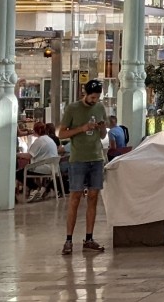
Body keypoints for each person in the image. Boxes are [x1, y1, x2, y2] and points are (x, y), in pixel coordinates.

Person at [57, 79, 109, 254]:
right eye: (92, 97)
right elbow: (62, 133)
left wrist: (102, 128)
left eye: (97, 97)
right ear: (85, 94)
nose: (95, 100)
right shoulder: (73, 109)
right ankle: (68, 239)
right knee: (75, 197)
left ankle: (89, 237)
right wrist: (82, 128)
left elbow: (103, 135)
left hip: (96, 157)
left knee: (93, 196)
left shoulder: (100, 108)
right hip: (78, 158)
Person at [20, 122, 60, 200]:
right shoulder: (50, 140)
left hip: (44, 168)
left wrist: (16, 154)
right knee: (30, 168)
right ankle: (39, 188)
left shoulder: (39, 141)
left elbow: (29, 156)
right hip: (54, 167)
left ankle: (35, 188)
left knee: (19, 173)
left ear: (35, 131)